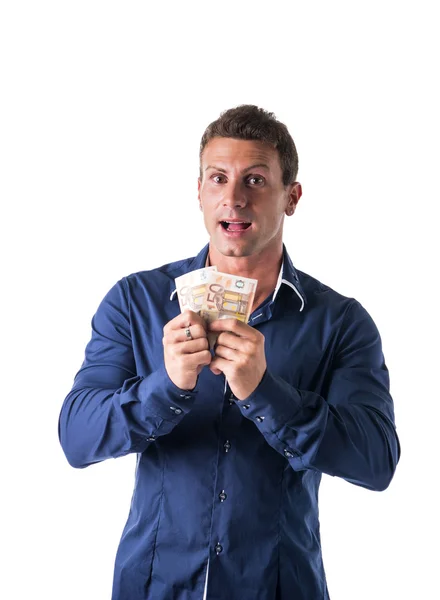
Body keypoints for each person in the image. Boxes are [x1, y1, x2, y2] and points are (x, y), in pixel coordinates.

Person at [59, 104, 400, 600]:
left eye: (256, 180)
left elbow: (377, 460)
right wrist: (166, 387)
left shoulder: (342, 323)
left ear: (292, 196)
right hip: (153, 587)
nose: (233, 198)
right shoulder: (135, 301)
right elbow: (76, 436)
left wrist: (266, 393)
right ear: (198, 191)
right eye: (218, 178)